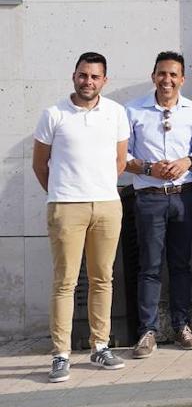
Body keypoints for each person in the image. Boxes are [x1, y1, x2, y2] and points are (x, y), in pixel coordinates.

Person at [33, 52, 130, 383]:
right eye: (83, 75)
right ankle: (61, 354)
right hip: (66, 206)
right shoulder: (54, 114)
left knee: (103, 279)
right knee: (65, 282)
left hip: (106, 205)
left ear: (105, 80)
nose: (88, 81)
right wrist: (63, 193)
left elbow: (119, 161)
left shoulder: (116, 113)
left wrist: (98, 188)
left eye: (94, 76)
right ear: (73, 76)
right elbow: (39, 164)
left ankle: (100, 346)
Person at [126, 51, 192, 358]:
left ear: (183, 79)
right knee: (149, 266)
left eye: (173, 75)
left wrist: (187, 161)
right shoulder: (133, 110)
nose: (167, 80)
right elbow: (121, 155)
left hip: (183, 195)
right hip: (149, 198)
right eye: (162, 73)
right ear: (153, 76)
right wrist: (149, 168)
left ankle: (181, 326)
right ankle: (147, 331)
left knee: (180, 265)